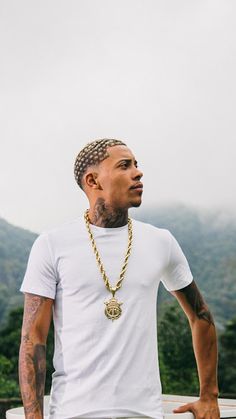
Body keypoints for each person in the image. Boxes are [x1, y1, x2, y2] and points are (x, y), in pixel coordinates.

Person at [18, 138, 220, 419]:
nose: (138, 172)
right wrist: (33, 417)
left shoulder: (161, 241)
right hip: (73, 412)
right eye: (124, 166)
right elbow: (33, 339)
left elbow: (201, 317)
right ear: (93, 180)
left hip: (144, 414)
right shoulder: (52, 244)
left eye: (136, 165)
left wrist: (209, 397)